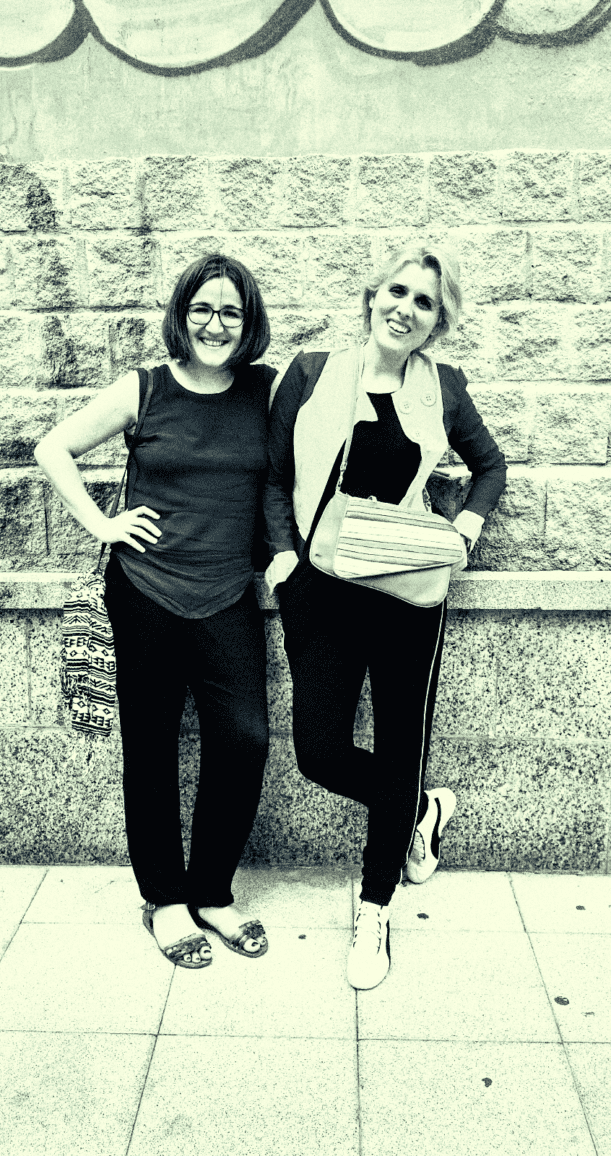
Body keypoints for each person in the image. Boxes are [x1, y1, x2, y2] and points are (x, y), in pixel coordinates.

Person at [264, 244, 507, 990]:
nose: (406, 309)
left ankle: (375, 908)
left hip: (408, 593)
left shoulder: (445, 387)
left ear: (438, 322)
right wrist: (282, 557)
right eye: (397, 292)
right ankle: (419, 808)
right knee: (319, 752)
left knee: (402, 742)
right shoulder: (310, 372)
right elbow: (272, 475)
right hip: (320, 588)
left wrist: (466, 527)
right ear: (373, 296)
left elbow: (490, 465)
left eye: (424, 302)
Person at [35, 254, 276, 969]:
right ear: (181, 314)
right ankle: (166, 901)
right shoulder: (145, 388)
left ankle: (213, 893)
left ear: (248, 321)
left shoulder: (264, 391)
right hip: (144, 591)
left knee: (245, 738)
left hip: (229, 593)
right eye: (202, 309)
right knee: (151, 746)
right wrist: (102, 523)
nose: (215, 324)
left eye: (230, 311)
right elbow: (53, 447)